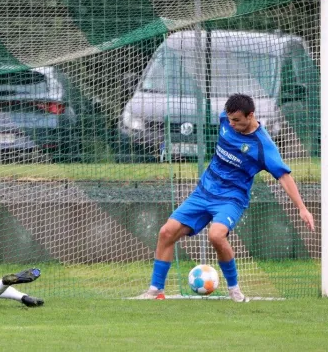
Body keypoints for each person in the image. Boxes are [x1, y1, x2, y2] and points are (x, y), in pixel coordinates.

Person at [134, 93, 315, 302]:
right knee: (166, 232)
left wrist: (301, 207)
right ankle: (156, 291)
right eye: (229, 119)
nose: (231, 124)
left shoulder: (263, 146)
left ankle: (234, 290)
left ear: (251, 115)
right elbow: (227, 118)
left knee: (216, 235)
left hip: (231, 198)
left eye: (236, 120)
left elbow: (284, 176)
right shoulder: (226, 120)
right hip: (204, 191)